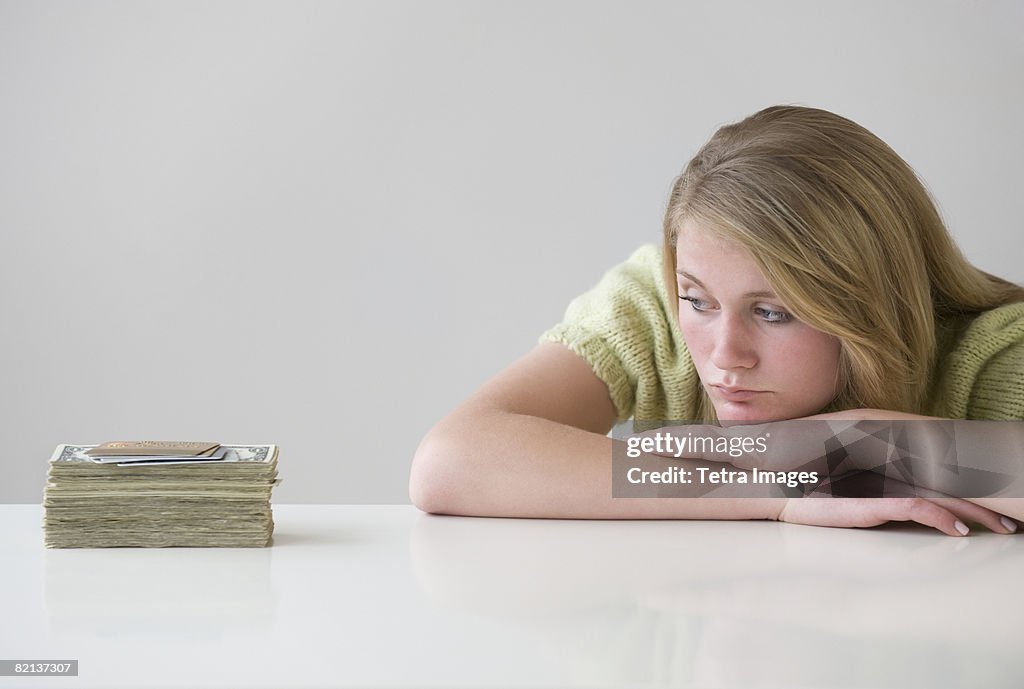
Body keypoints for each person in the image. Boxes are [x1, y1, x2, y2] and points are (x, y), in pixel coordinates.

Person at [409, 105, 1024, 536]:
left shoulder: (995, 349)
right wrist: (779, 486)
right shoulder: (654, 301)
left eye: (773, 312)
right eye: (698, 301)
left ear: (873, 304)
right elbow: (452, 462)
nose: (726, 355)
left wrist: (845, 444)